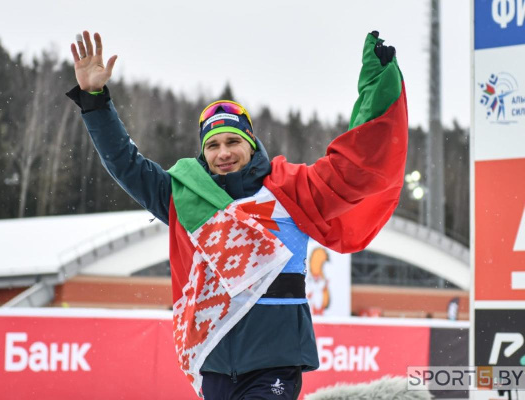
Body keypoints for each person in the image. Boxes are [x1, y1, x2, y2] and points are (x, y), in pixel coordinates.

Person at [66, 30, 407, 400]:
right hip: (213, 362)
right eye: (212, 145)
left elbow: (354, 166)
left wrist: (378, 81)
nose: (223, 152)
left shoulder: (291, 190)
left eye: (233, 141)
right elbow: (125, 163)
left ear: (251, 144)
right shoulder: (183, 196)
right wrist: (95, 100)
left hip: (275, 362)